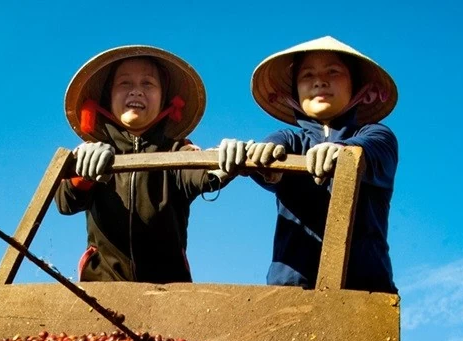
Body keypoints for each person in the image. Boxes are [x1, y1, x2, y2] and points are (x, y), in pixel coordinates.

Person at [217, 37, 398, 293]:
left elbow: (368, 152)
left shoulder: (378, 136)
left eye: (333, 72)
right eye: (307, 75)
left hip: (365, 292)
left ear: (356, 86)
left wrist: (341, 152)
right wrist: (254, 159)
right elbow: (271, 153)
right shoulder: (290, 139)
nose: (319, 81)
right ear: (295, 93)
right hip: (291, 293)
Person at [58, 46, 234, 283]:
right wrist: (83, 169)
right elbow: (65, 201)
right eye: (124, 84)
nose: (136, 92)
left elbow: (201, 174)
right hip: (102, 291)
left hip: (169, 293)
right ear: (107, 99)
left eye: (148, 84)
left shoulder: (177, 150)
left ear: (165, 101)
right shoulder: (93, 152)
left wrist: (224, 160)